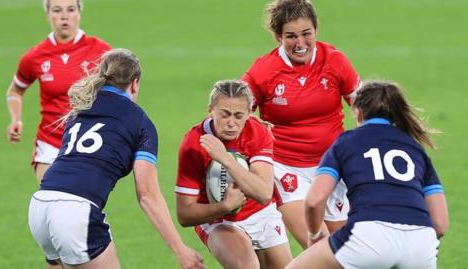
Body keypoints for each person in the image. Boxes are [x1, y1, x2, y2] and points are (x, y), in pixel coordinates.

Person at [28, 48, 205, 269]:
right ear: (135, 83)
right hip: (76, 212)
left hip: (41, 206)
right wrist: (180, 250)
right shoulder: (140, 121)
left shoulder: (79, 112)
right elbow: (148, 195)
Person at [286, 80, 449, 269]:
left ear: (359, 112)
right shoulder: (415, 148)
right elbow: (440, 224)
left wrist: (315, 234)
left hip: (368, 235)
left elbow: (315, 200)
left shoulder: (346, 142)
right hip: (421, 243)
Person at [242, 0, 360, 248]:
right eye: (291, 36)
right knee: (321, 250)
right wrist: (254, 125)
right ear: (278, 36)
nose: (300, 43)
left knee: (350, 250)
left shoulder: (335, 61)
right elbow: (234, 111)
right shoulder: (263, 71)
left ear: (316, 29)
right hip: (286, 168)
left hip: (332, 168)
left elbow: (363, 107)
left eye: (306, 34)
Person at [175, 80, 292, 269]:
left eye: (239, 116)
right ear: (210, 110)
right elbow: (184, 215)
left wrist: (225, 159)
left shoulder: (257, 131)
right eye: (224, 114)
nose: (231, 123)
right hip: (218, 220)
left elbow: (263, 193)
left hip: (261, 214)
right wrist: (224, 206)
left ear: (249, 114)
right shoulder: (193, 143)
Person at [6, 0, 111, 184]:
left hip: (88, 142)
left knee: (84, 209)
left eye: (70, 9)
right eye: (57, 10)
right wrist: (16, 119)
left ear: (79, 12)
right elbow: (15, 91)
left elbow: (119, 92)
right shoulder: (35, 57)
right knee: (50, 203)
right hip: (49, 144)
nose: (64, 16)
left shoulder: (101, 51)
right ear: (47, 14)